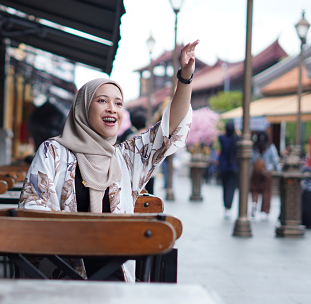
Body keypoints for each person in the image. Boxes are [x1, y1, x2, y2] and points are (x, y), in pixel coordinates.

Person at [19, 40, 199, 282]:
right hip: (64, 277)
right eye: (102, 100)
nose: (112, 108)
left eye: (118, 103)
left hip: (117, 276)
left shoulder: (126, 157)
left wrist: (184, 78)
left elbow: (167, 132)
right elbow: (32, 208)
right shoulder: (53, 152)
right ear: (83, 107)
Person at [250, 131, 281, 220]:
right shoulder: (270, 147)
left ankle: (254, 203)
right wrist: (279, 170)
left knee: (254, 189)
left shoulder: (254, 147)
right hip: (267, 171)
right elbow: (275, 160)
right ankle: (265, 211)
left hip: (256, 172)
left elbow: (251, 159)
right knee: (266, 191)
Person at [217, 121, 239, 220]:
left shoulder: (222, 138)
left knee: (225, 187)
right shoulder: (237, 139)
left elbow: (219, 135)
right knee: (231, 188)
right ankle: (228, 207)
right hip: (233, 167)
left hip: (224, 167)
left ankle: (226, 207)